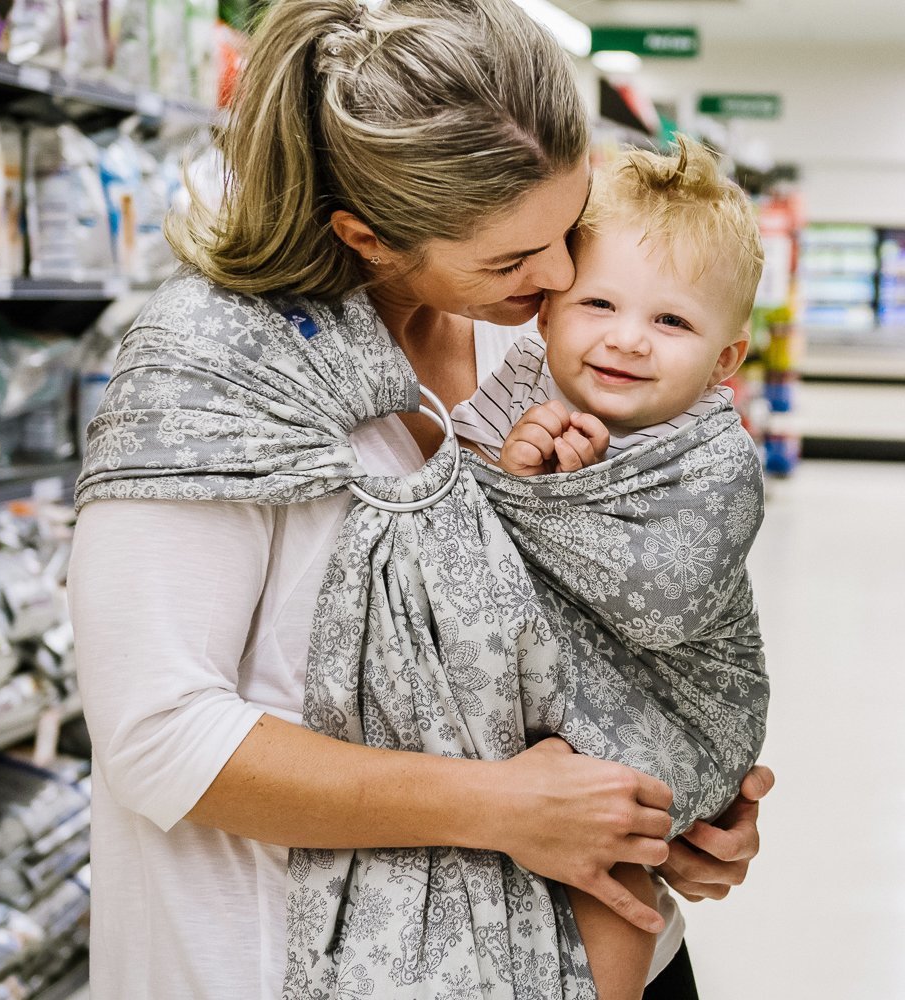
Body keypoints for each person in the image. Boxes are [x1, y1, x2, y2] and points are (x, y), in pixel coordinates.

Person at [67, 2, 774, 998]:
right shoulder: (213, 372)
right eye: (513, 258)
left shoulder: (533, 335)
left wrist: (668, 812)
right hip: (299, 959)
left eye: (567, 230)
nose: (564, 276)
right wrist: (504, 808)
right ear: (365, 234)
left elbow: (616, 628)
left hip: (596, 943)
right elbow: (159, 737)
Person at [452, 136, 769, 1000]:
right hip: (558, 699)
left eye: (671, 322)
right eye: (599, 304)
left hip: (672, 706)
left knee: (612, 856)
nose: (628, 341)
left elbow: (663, 600)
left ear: (725, 361)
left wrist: (540, 501)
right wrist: (519, 471)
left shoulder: (714, 457)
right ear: (547, 313)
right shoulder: (522, 386)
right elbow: (462, 503)